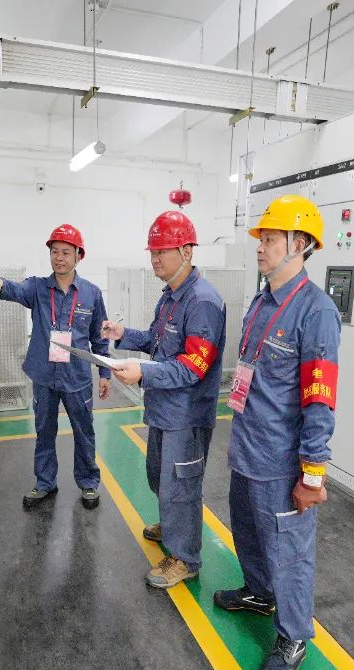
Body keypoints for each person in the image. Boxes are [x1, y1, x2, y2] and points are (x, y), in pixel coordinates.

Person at [213, 194, 340, 670]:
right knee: (247, 531)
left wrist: (313, 475)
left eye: (270, 239)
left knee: (289, 552)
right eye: (261, 239)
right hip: (248, 446)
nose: (260, 247)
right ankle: (259, 593)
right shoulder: (263, 300)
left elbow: (319, 400)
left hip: (282, 460)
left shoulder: (316, 311)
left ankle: (293, 637)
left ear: (300, 243)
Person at [102, 211, 226, 589]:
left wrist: (143, 373)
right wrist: (122, 334)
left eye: (162, 251)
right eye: (153, 252)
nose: (155, 259)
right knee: (160, 476)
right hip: (163, 408)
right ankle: (173, 526)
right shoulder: (170, 297)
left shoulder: (203, 302)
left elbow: (193, 367)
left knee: (181, 485)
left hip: (186, 415)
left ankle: (185, 558)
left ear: (187, 251)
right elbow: (157, 342)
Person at [0, 224, 111, 509]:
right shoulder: (38, 288)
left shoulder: (91, 293)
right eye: (55, 252)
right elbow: (13, 288)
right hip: (44, 376)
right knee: (44, 431)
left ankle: (88, 482)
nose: (59, 258)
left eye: (66, 252)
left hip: (77, 376)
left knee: (84, 431)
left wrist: (105, 373)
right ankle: (45, 483)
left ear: (79, 256)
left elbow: (99, 336)